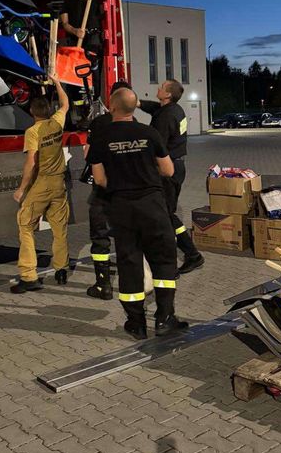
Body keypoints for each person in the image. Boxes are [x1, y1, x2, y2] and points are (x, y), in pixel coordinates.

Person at [88, 87, 188, 339]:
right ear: (134, 108)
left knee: (129, 261)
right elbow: (167, 171)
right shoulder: (149, 132)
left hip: (122, 208)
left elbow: (99, 179)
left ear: (112, 107)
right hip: (153, 206)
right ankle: (165, 318)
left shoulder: (101, 138)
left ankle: (136, 323)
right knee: (164, 260)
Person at [138, 79, 204, 274]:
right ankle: (189, 254)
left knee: (165, 215)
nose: (157, 89)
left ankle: (191, 254)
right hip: (177, 167)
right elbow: (155, 108)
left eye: (161, 87)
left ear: (167, 95)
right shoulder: (174, 110)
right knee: (166, 214)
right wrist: (138, 103)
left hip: (167, 170)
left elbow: (156, 146)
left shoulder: (165, 118)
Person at [12, 74, 70, 293]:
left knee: (25, 224)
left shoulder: (33, 132)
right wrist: (57, 82)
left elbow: (31, 162)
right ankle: (61, 270)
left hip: (42, 183)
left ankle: (28, 276)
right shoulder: (56, 123)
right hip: (59, 184)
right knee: (59, 229)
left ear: (31, 113)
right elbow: (65, 104)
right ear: (47, 111)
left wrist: (21, 189)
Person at [83, 79, 133, 300]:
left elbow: (88, 155)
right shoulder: (137, 125)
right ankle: (130, 280)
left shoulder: (99, 123)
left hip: (103, 192)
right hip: (128, 191)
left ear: (111, 101)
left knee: (100, 238)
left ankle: (103, 285)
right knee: (125, 236)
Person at [57, 0, 118, 102]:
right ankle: (78, 103)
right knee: (76, 73)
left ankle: (95, 98)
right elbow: (64, 23)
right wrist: (75, 31)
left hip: (93, 37)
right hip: (76, 40)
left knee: (92, 70)